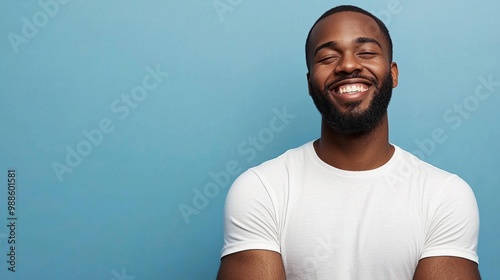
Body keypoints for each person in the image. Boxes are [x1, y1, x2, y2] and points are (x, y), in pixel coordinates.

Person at [217, 5, 480, 280]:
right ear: (310, 83)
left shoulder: (445, 196)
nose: (348, 65)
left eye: (366, 52)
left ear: (393, 74)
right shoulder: (262, 188)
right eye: (328, 57)